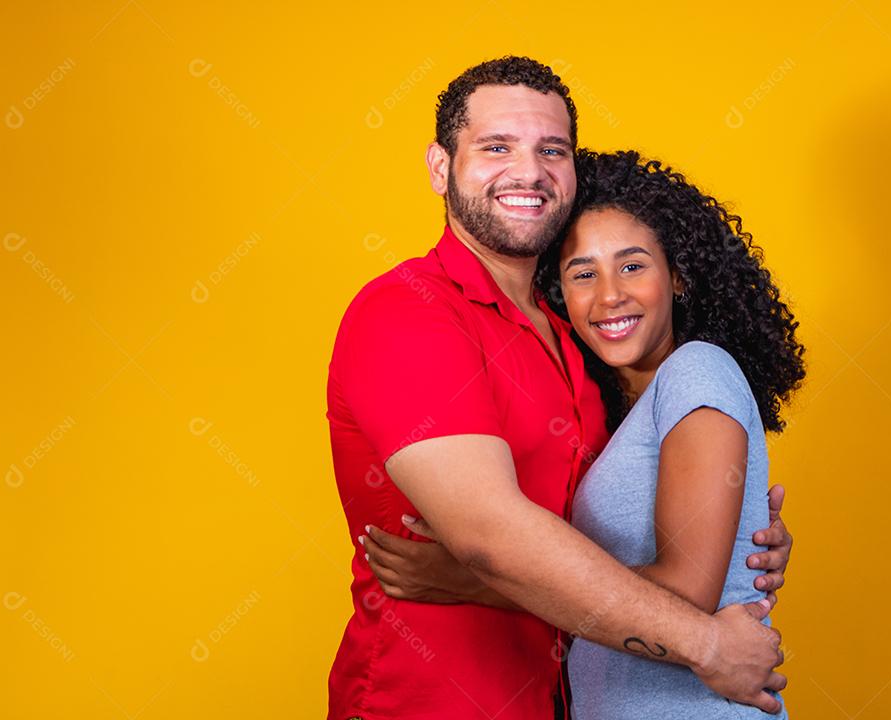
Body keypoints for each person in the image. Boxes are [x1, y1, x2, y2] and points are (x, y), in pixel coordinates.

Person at [327, 56, 791, 720]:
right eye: (496, 147)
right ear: (439, 167)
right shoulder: (407, 313)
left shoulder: (579, 345)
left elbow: (624, 529)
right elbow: (490, 534)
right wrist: (707, 641)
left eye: (552, 149)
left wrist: (745, 537)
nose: (529, 171)